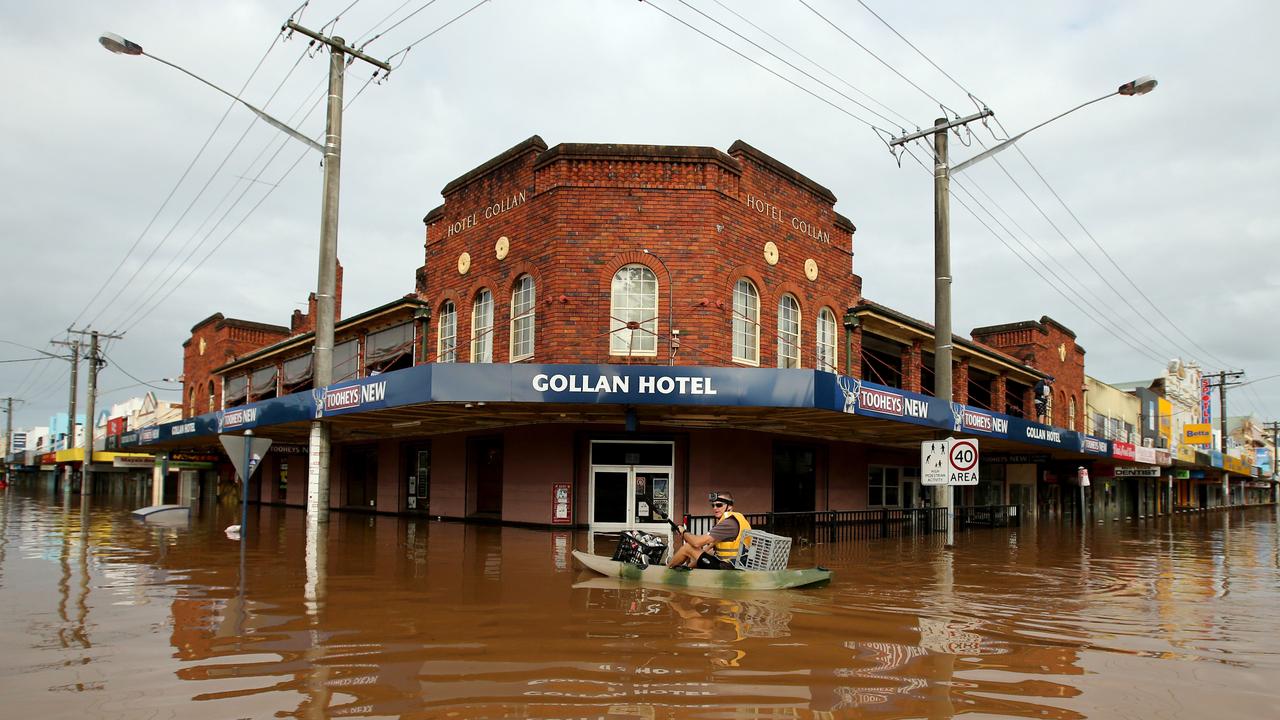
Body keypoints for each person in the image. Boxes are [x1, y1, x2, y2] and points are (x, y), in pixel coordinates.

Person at [667, 491, 751, 569]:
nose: (715, 508)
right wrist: (692, 564)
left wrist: (683, 531)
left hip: (728, 568)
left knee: (687, 548)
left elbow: (696, 542)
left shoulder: (728, 523)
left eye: (719, 505)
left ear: (729, 506)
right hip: (731, 564)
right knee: (704, 555)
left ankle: (665, 572)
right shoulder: (732, 520)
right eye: (713, 505)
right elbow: (710, 546)